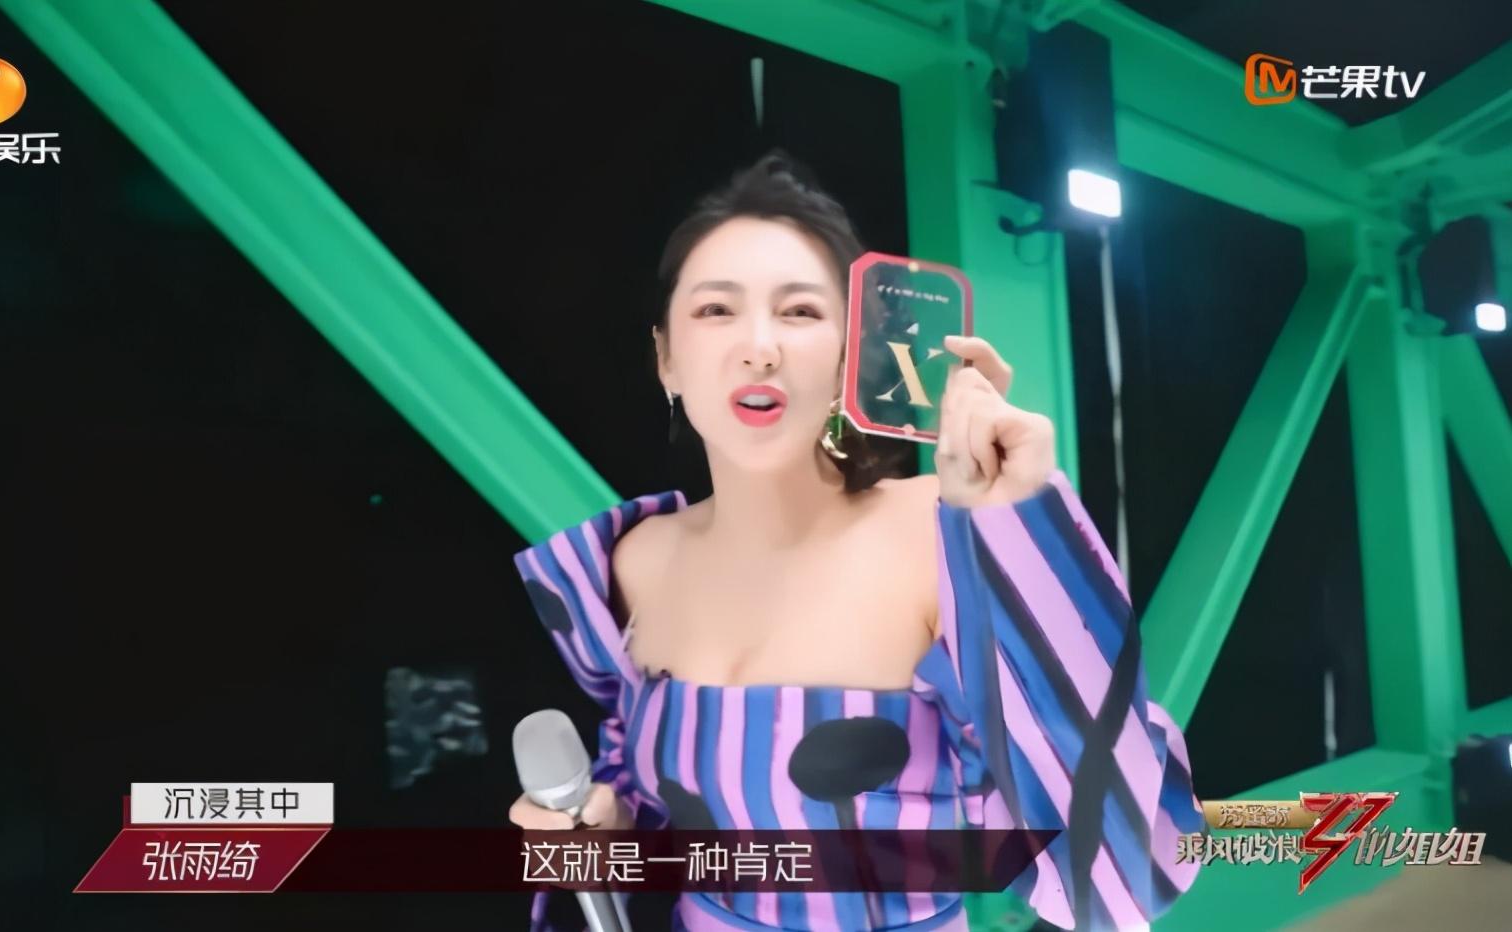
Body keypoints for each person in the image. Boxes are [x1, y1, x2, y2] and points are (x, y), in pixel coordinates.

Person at [508, 151, 1204, 931]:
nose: (759, 347)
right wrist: (602, 829)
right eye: (716, 310)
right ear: (667, 357)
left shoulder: (941, 533)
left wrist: (1016, 527)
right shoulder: (630, 564)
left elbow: (1127, 870)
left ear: (852, 356)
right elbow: (651, 814)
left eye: (801, 312)